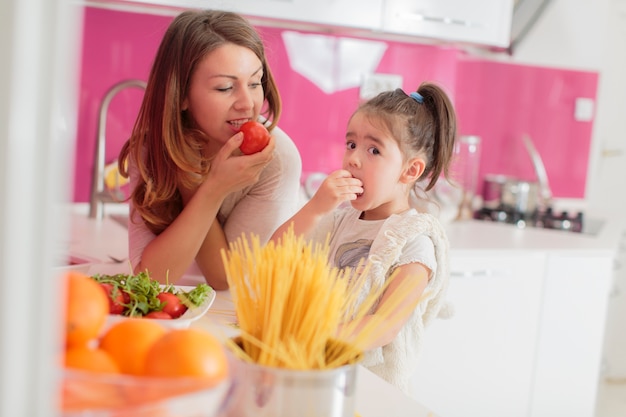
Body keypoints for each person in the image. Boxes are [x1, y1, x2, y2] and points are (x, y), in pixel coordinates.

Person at [271, 83, 457, 395]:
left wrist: (314, 339)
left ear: (410, 170)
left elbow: (384, 325)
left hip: (372, 390)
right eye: (350, 144)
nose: (353, 159)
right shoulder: (339, 220)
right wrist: (315, 209)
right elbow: (271, 257)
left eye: (373, 150)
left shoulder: (414, 241)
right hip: (323, 375)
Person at [118, 10, 302, 289]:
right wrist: (200, 179)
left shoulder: (277, 159)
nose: (247, 103)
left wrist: (203, 185)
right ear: (181, 96)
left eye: (254, 83)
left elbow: (224, 277)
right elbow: (150, 278)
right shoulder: (150, 150)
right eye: (225, 87)